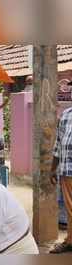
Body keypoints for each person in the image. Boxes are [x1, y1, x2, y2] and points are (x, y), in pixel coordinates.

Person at [50, 107, 72, 253]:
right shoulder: (66, 114)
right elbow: (58, 144)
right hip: (67, 171)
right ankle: (70, 241)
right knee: (70, 210)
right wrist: (53, 169)